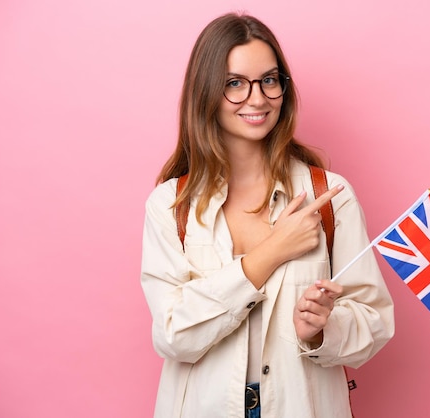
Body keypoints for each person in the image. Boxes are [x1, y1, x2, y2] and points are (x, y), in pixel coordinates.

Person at [140, 12, 395, 418]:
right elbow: (174, 335)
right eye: (234, 84)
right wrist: (271, 252)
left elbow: (374, 321)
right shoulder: (172, 205)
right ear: (205, 91)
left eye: (269, 81)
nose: (257, 99)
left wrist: (321, 330)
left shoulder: (328, 196)